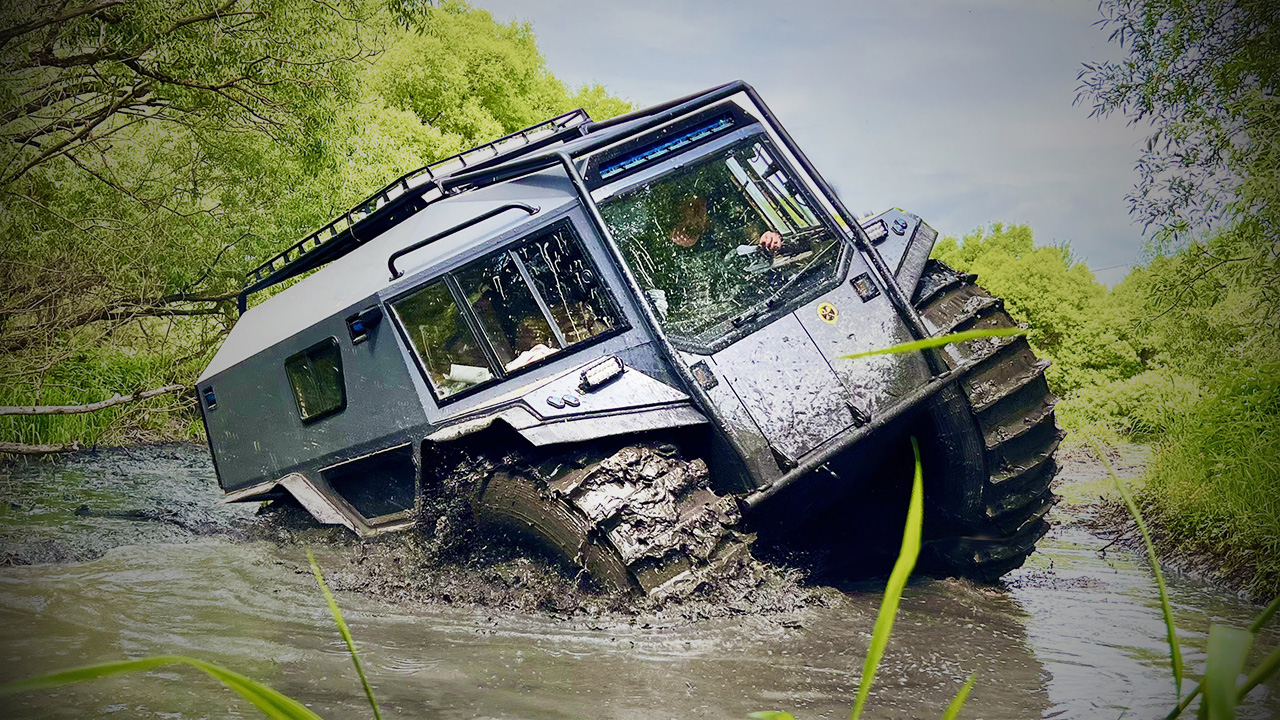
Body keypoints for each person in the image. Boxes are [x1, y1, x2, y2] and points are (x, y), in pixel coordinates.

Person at [669, 194, 782, 252]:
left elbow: (750, 228)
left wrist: (765, 238)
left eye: (696, 207)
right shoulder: (701, 245)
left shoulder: (723, 205)